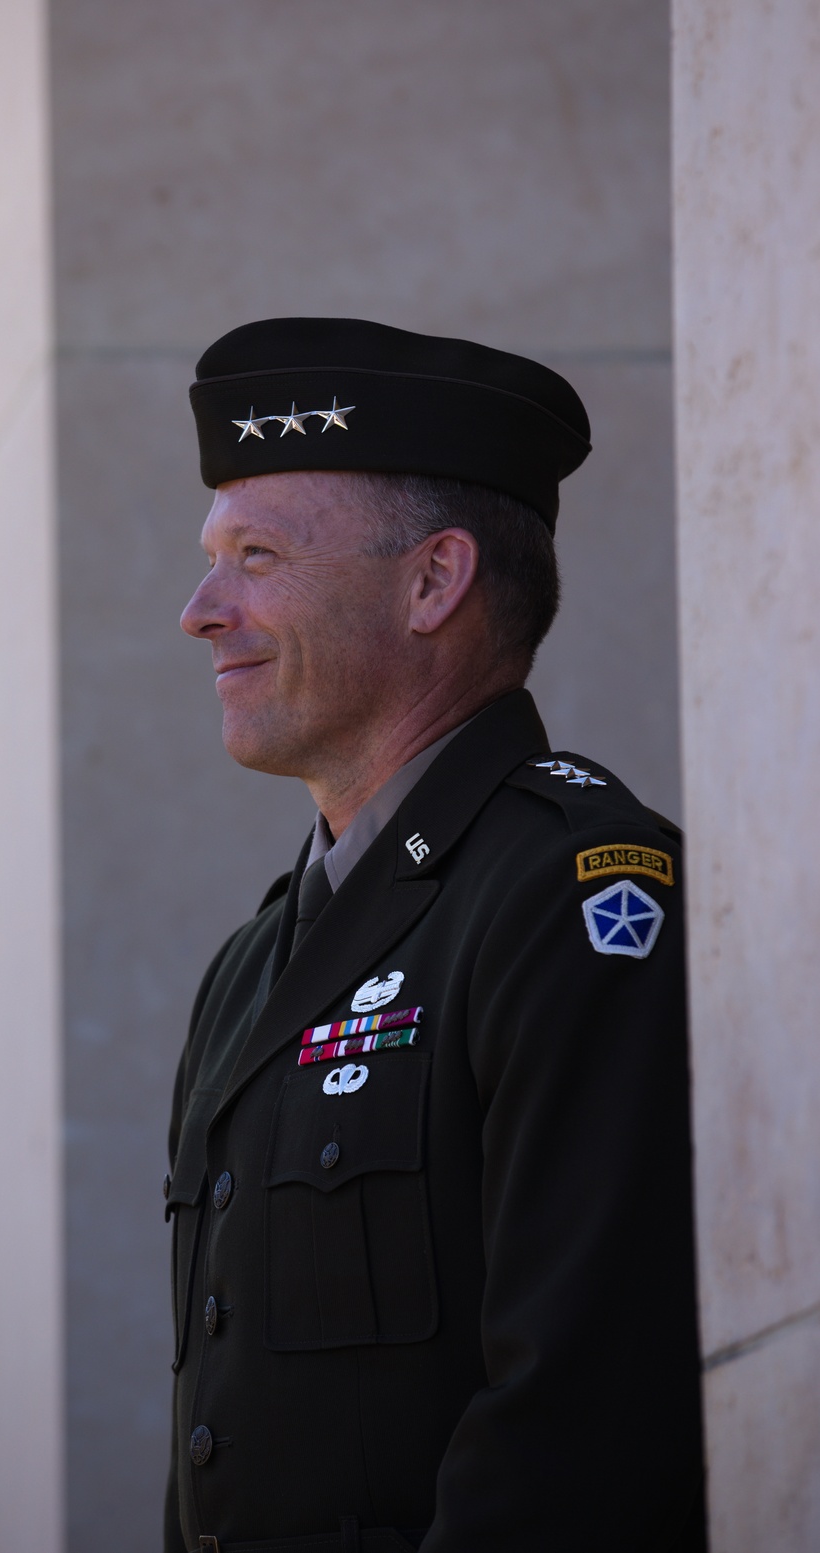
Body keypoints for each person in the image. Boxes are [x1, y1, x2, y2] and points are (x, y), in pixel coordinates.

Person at [164, 317, 704, 1553]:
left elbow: (586, 1422)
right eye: (212, 557)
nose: (201, 608)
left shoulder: (575, 895)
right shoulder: (249, 969)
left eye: (257, 554)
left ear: (431, 582)